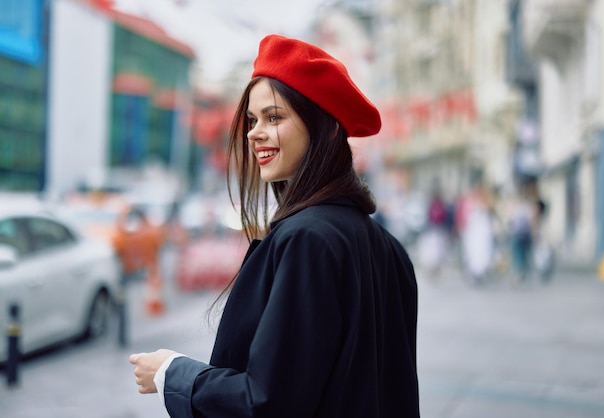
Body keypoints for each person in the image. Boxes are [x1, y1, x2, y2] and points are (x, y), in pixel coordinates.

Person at [129, 34, 420, 417]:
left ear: (326, 129)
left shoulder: (307, 239)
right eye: (252, 119)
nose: (254, 132)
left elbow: (269, 401)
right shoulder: (388, 246)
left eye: (274, 117)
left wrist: (172, 374)